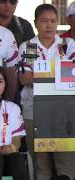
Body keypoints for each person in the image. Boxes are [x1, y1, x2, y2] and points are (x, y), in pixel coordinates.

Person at [18, 4, 75, 180]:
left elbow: (72, 77)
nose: (49, 25)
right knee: (41, 165)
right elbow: (25, 79)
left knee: (65, 164)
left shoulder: (67, 44)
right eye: (44, 21)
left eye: (53, 21)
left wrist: (41, 74)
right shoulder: (29, 46)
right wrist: (57, 74)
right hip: (33, 110)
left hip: (64, 112)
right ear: (35, 23)